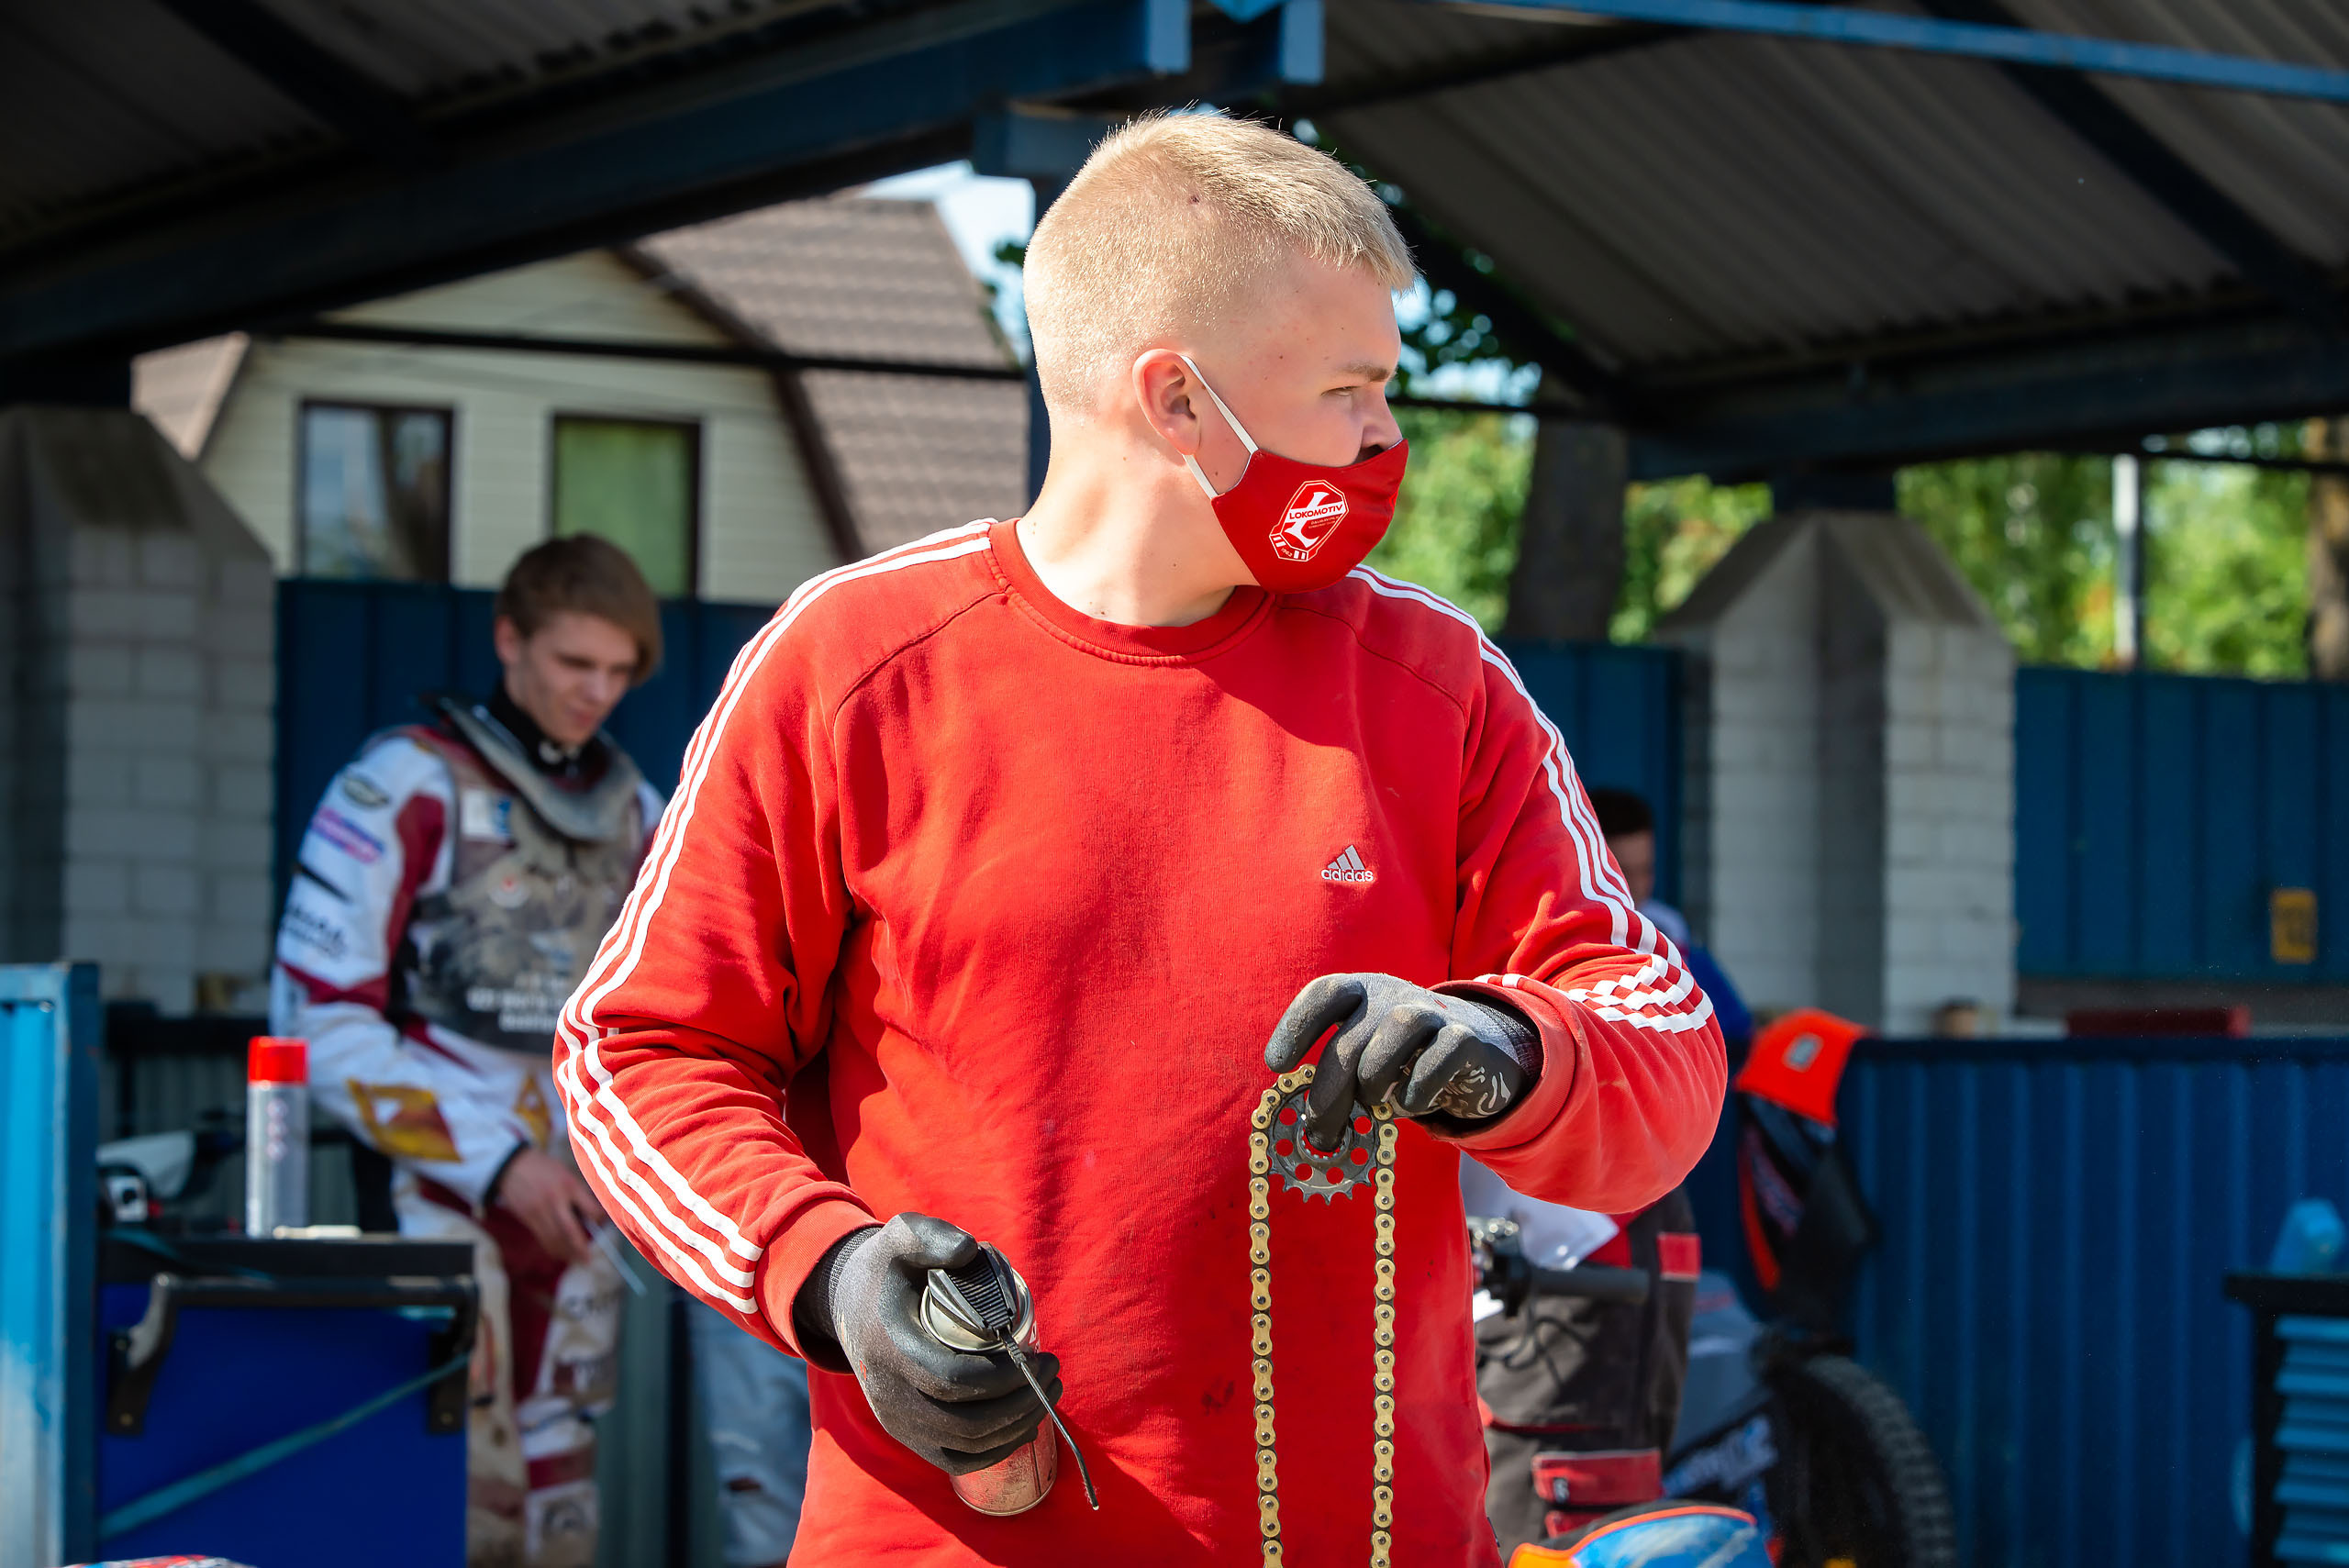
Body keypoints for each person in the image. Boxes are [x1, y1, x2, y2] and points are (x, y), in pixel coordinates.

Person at [553, 112, 1723, 1566]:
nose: (1384, 439)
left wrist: (1510, 1047)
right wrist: (826, 1266)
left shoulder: (1440, 687)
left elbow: (1662, 1046)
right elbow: (635, 1053)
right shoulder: (850, 665)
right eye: (1350, 388)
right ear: (1177, 400)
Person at [273, 537, 806, 1568]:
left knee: (561, 1502)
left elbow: (681, 1021)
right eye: (574, 664)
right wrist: (499, 1162)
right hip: (435, 1199)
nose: (595, 694)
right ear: (508, 638)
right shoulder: (403, 784)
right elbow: (312, 1022)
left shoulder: (644, 811)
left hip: (580, 1208)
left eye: (618, 673)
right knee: (460, 1496)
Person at [1470, 787, 1742, 1554]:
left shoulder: (1640, 945)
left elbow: (1724, 1042)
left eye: (1640, 871)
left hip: (1589, 1257)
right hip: (1534, 1264)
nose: (1629, 883)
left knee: (1551, 1530)